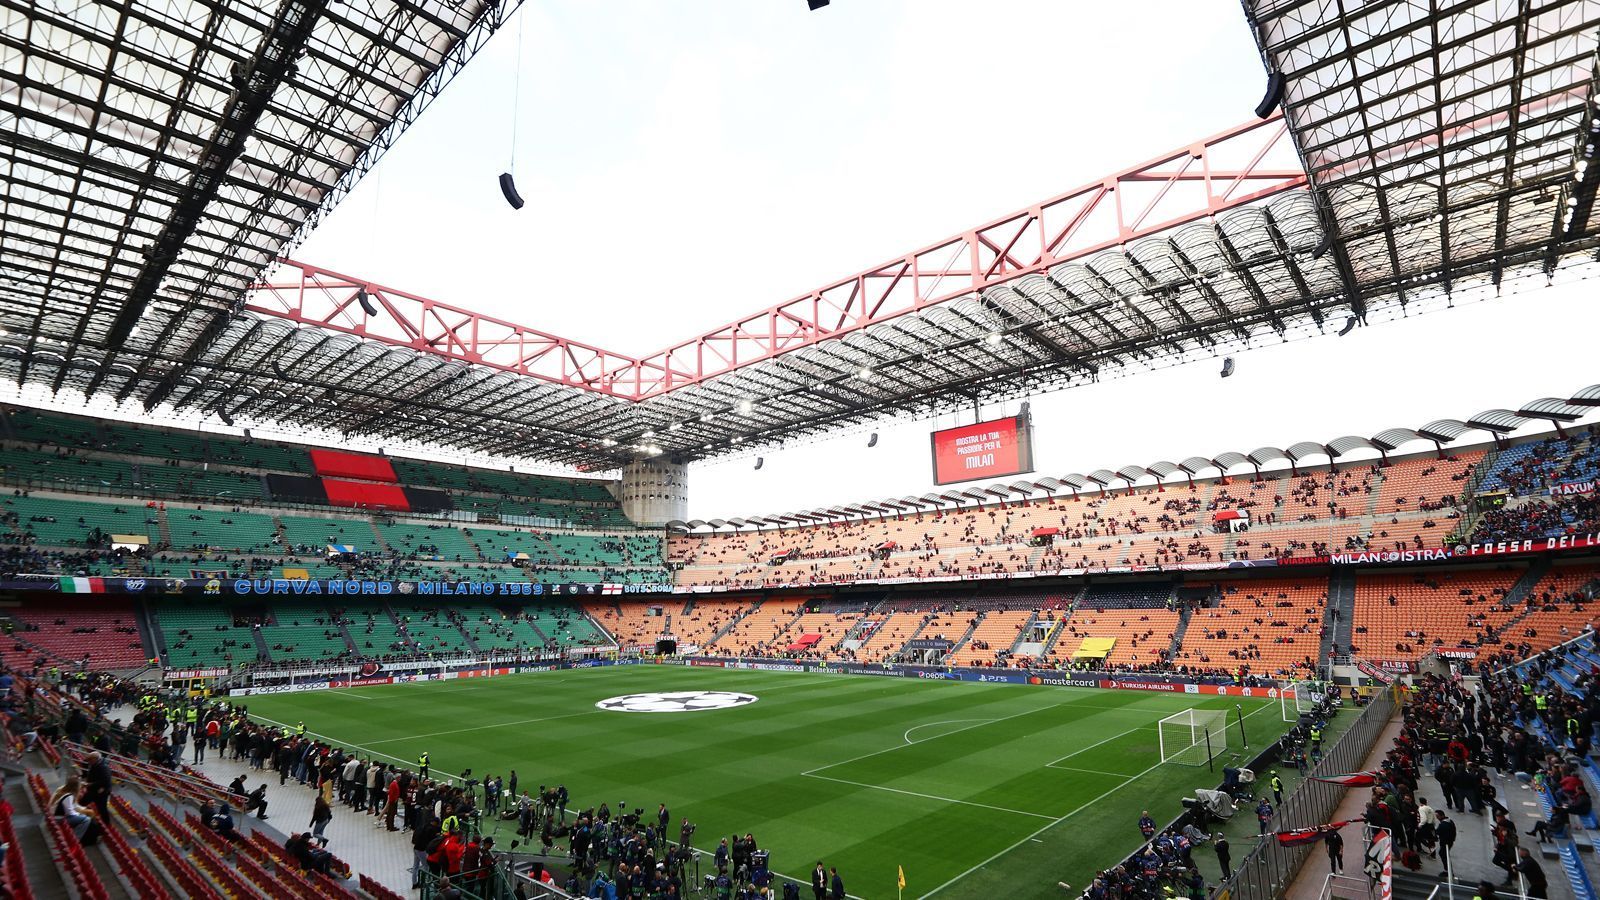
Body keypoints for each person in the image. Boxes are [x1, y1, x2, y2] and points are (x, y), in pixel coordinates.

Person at [48, 776, 93, 841]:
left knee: (82, 816)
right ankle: (74, 839)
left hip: (54, 817)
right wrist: (79, 814)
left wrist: (81, 812)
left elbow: (72, 808)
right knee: (87, 819)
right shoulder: (68, 796)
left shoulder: (64, 791)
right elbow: (70, 813)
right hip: (57, 819)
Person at [1436, 812, 1456, 877]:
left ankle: (1448, 871)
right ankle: (1448, 870)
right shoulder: (1449, 821)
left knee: (1444, 855)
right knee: (1443, 854)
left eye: (1438, 816)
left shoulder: (1443, 824)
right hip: (1449, 841)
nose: (1437, 818)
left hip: (1446, 843)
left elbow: (1438, 832)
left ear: (1442, 816)